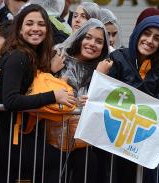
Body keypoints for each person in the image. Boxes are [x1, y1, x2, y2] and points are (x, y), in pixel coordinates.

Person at [0, 4, 75, 182]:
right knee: (56, 160)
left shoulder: (28, 55)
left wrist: (50, 72)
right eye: (29, 24)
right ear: (19, 29)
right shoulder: (18, 56)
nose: (35, 28)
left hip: (9, 134)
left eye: (41, 24)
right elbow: (11, 101)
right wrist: (54, 95)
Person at [98, 15, 159, 183]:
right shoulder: (118, 57)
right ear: (138, 34)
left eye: (157, 38)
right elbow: (105, 92)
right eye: (146, 34)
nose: (150, 41)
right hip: (112, 135)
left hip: (138, 140)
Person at [47, 18, 109, 183]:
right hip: (52, 144)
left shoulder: (103, 67)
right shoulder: (58, 55)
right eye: (88, 37)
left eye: (99, 41)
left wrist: (100, 76)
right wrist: (52, 71)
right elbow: (43, 89)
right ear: (80, 37)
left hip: (83, 145)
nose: (92, 44)